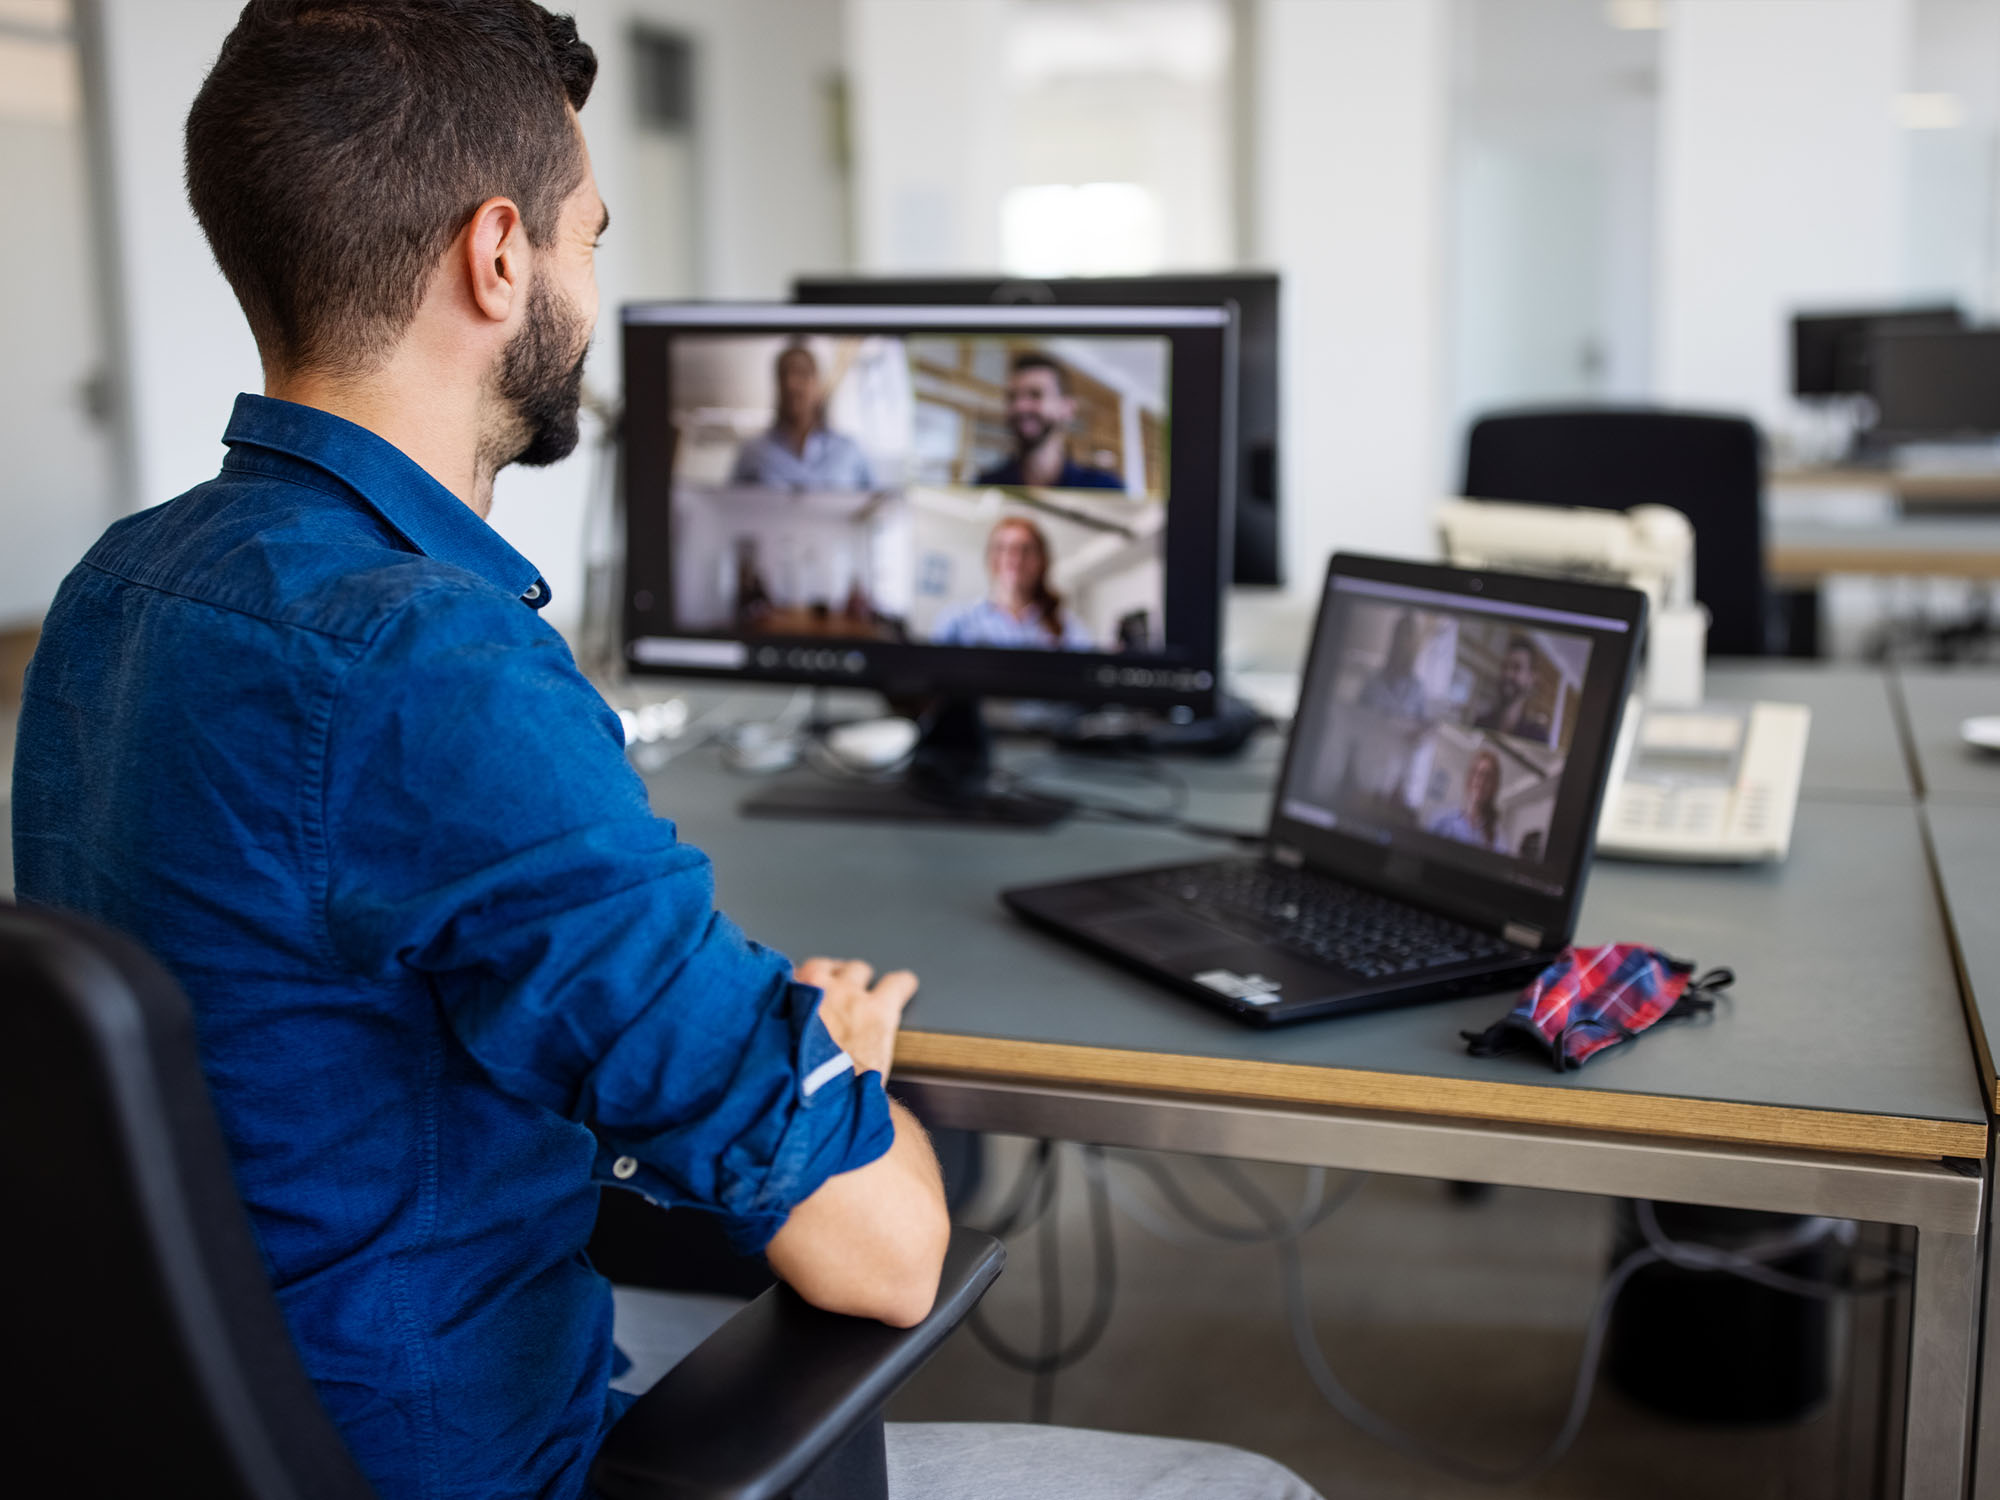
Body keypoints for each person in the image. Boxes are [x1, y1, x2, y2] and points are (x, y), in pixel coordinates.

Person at [10, 6, 1317, 1500]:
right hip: (468, 1451)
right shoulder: (437, 669)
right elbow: (884, 1256)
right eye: (588, 236)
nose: (586, 279)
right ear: (499, 257)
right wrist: (827, 1066)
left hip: (234, 1402)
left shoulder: (116, 589)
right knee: (1248, 1483)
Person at [932, 515, 1096, 650]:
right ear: (992, 559)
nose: (1015, 559)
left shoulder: (1069, 629)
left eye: (1026, 549)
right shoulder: (957, 621)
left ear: (1042, 561)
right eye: (1004, 548)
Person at [729, 342, 875, 490]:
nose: (791, 384)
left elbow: (877, 507)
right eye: (784, 374)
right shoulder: (752, 453)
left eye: (802, 373)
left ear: (818, 384)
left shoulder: (850, 451)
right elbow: (730, 509)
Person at [976, 352, 1124, 490]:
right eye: (1012, 397)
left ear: (1067, 409)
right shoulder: (985, 486)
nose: (1019, 406)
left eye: (1035, 394)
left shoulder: (1104, 488)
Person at [1475, 635, 1554, 745]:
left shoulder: (1537, 738)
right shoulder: (1479, 723)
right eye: (1505, 666)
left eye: (1517, 667)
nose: (1508, 673)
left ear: (1531, 678)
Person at [1356, 611, 1429, 721]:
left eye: (1407, 637)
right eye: (1399, 635)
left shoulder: (1417, 690)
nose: (1402, 643)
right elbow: (1354, 719)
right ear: (1393, 640)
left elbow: (1421, 727)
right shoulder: (1372, 682)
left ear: (1413, 645)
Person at [1428, 747, 1505, 850]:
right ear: (1469, 778)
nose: (1481, 782)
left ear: (1493, 787)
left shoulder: (1498, 839)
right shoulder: (1442, 821)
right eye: (1478, 774)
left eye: (1488, 777)